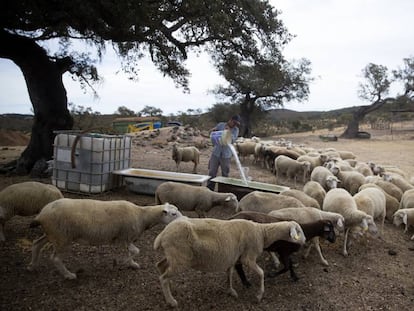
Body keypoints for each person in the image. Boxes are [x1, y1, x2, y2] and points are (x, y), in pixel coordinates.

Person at [207, 114, 241, 190]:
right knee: (212, 172)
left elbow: (232, 140)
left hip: (226, 155)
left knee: (225, 173)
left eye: (236, 124)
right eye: (234, 123)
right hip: (216, 152)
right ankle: (209, 189)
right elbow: (212, 133)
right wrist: (212, 131)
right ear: (230, 120)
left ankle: (223, 190)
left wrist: (228, 131)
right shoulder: (221, 125)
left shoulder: (236, 130)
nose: (235, 125)